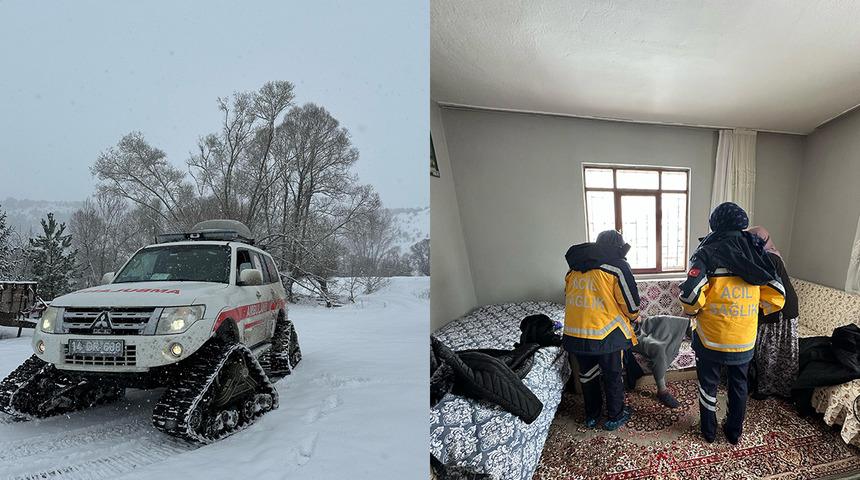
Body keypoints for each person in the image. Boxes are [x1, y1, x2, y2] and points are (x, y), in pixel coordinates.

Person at [679, 202, 785, 444]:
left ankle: (708, 431)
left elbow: (690, 296)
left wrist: (692, 312)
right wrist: (754, 309)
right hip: (744, 338)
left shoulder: (705, 252)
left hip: (711, 338)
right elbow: (777, 295)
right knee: (739, 386)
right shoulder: (757, 251)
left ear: (714, 223)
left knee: (708, 385)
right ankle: (734, 433)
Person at [563, 230, 640, 430]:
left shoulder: (574, 269)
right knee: (613, 375)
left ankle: (592, 415)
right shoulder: (617, 267)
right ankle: (615, 416)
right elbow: (631, 306)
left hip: (576, 333)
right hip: (606, 333)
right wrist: (634, 318)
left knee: (587, 375)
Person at [747, 226, 799, 398]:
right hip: (776, 305)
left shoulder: (769, 258)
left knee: (771, 349)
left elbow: (769, 290)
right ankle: (768, 386)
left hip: (781, 308)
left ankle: (768, 389)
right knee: (768, 348)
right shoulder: (769, 255)